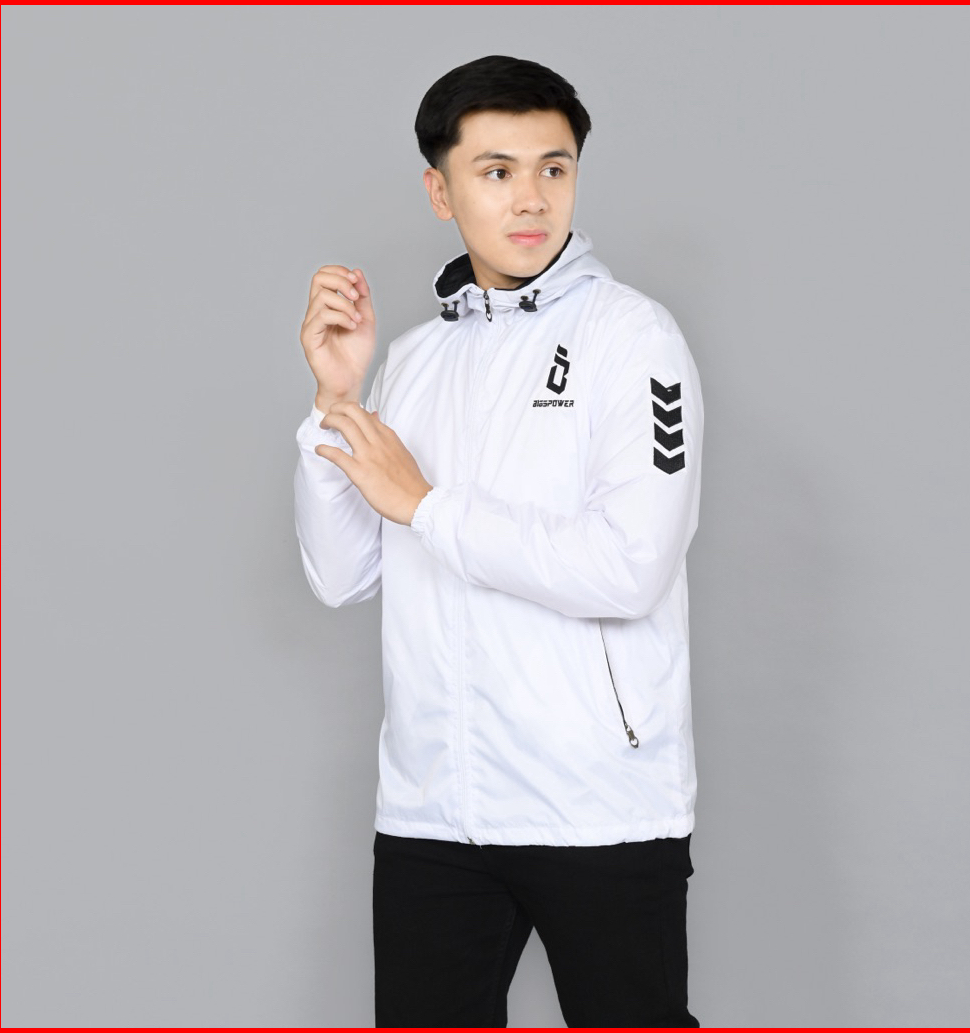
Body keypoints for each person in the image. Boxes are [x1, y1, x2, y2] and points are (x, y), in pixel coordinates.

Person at [293, 54, 704, 1029]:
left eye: (553, 168)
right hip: (434, 809)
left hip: (599, 807)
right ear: (440, 191)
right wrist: (334, 403)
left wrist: (427, 505)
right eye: (496, 170)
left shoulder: (632, 337)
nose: (531, 197)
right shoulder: (413, 358)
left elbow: (629, 566)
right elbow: (342, 575)